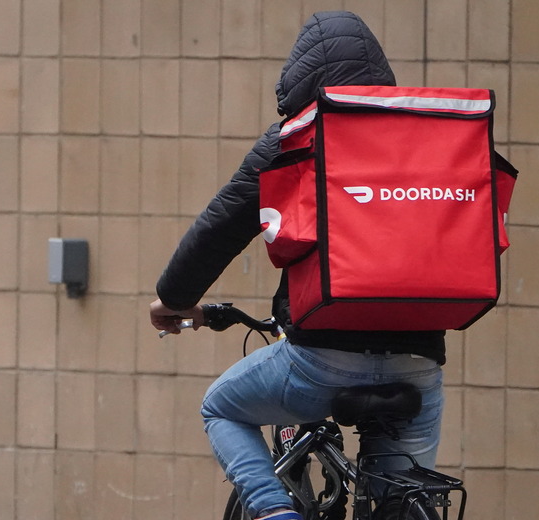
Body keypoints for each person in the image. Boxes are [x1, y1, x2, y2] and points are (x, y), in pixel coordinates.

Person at [150, 11, 446, 520]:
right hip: (418, 362)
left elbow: (217, 230)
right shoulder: (432, 137)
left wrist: (173, 299)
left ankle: (273, 511)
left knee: (220, 407)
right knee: (396, 501)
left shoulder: (294, 139)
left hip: (322, 357)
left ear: (298, 79)